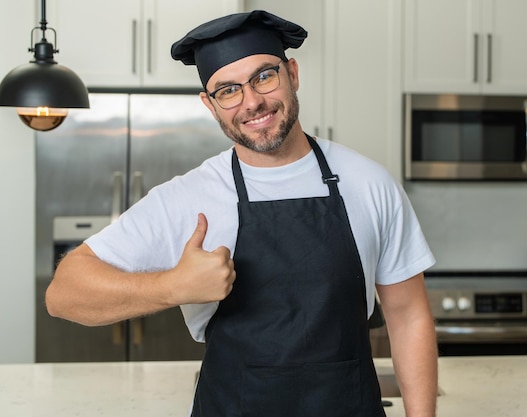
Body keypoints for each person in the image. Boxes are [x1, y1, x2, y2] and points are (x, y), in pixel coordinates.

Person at [46, 9, 438, 417]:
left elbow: (409, 317)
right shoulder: (190, 196)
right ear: (210, 104)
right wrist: (172, 287)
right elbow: (64, 294)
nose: (252, 102)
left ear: (293, 74)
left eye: (264, 76)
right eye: (228, 90)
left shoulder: (368, 183)